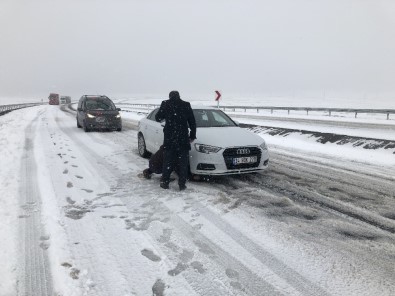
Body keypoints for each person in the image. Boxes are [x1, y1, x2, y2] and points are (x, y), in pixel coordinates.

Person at [155, 90, 196, 190]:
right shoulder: (186, 105)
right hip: (183, 138)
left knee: (167, 161)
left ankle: (165, 182)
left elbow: (158, 118)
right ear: (179, 96)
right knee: (183, 163)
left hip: (170, 139)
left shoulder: (165, 104)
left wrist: (164, 114)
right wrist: (192, 136)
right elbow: (192, 122)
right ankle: (182, 184)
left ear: (169, 97)